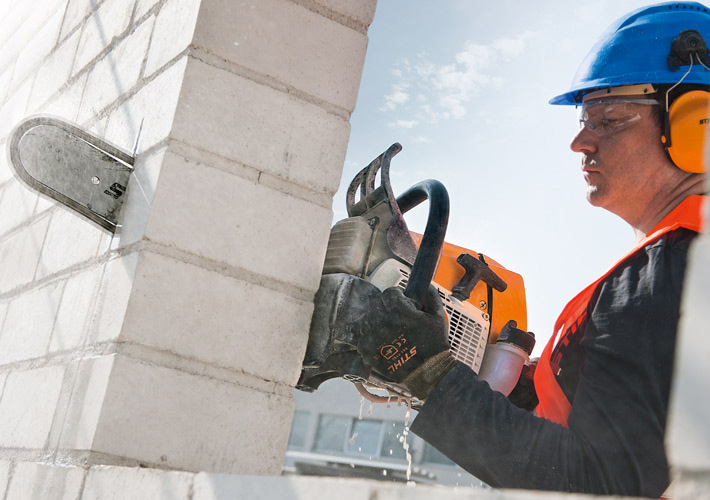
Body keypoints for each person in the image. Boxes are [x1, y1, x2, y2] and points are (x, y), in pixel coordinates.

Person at [356, 2, 709, 497]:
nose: (580, 141)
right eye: (585, 119)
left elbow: (606, 482)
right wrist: (527, 392)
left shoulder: (669, 274)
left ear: (698, 125)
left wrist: (426, 373)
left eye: (610, 119)